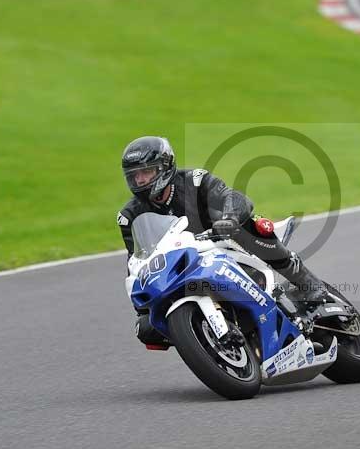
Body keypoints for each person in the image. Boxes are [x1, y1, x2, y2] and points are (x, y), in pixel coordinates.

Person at [117, 135, 328, 346]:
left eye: (146, 171)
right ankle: (201, 337)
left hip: (223, 243)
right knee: (147, 328)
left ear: (165, 166)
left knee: (252, 226)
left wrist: (229, 219)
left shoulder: (194, 180)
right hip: (183, 266)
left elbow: (233, 197)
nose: (141, 180)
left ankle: (309, 285)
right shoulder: (129, 216)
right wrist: (143, 309)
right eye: (134, 175)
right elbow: (136, 262)